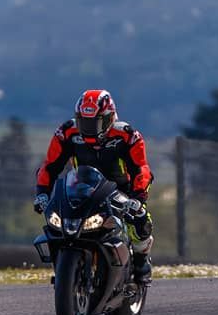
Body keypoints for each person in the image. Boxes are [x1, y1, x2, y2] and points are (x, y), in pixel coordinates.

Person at [34, 90, 154, 284]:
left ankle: (141, 261)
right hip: (82, 189)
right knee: (57, 221)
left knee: (141, 221)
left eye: (94, 123)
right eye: (83, 122)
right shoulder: (67, 132)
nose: (87, 128)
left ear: (108, 119)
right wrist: (42, 193)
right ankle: (65, 266)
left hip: (120, 190)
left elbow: (142, 169)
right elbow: (50, 166)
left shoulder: (127, 135)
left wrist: (138, 199)